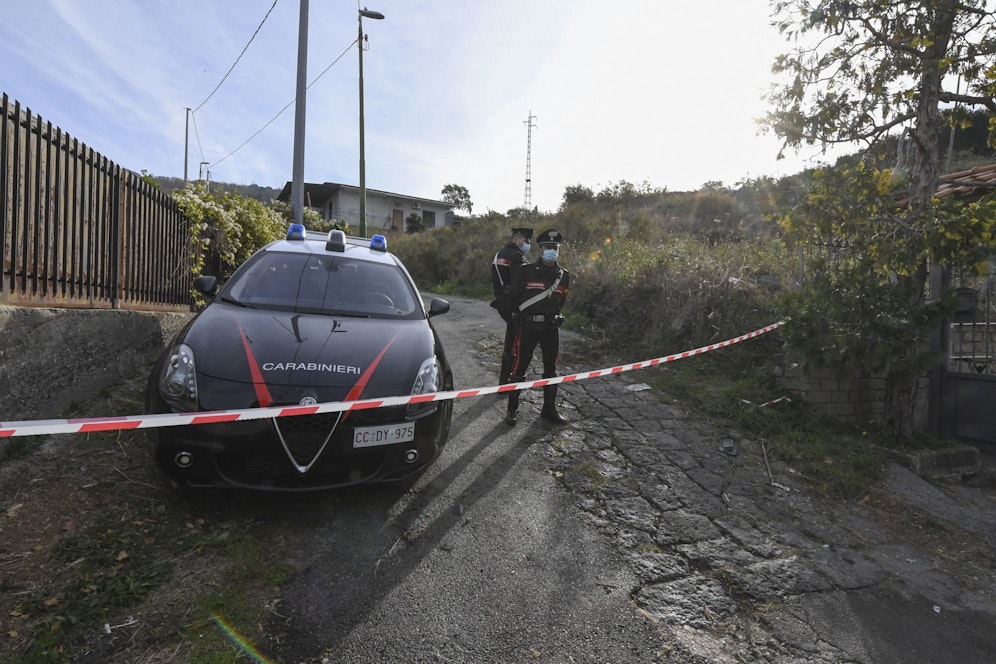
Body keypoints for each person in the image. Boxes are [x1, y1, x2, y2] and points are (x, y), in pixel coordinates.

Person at [505, 229, 571, 426]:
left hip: (550, 328)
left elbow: (561, 300)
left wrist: (555, 316)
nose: (552, 251)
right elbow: (514, 297)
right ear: (541, 249)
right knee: (520, 366)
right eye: (548, 247)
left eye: (555, 248)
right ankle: (512, 409)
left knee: (551, 369)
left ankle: (549, 410)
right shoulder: (526, 271)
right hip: (528, 327)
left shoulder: (563, 275)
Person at [490, 227, 533, 385]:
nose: (528, 244)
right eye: (526, 241)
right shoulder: (516, 257)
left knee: (511, 340)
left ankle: (504, 380)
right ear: (517, 238)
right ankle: (507, 382)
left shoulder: (499, 254)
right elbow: (518, 284)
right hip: (514, 305)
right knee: (513, 343)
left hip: (501, 301)